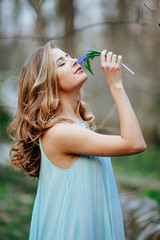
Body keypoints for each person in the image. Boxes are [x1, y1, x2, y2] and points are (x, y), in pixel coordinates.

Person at [7, 40, 146, 240]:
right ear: (47, 83)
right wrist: (116, 85)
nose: (73, 61)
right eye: (61, 63)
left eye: (69, 56)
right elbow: (135, 143)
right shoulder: (60, 133)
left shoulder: (78, 128)